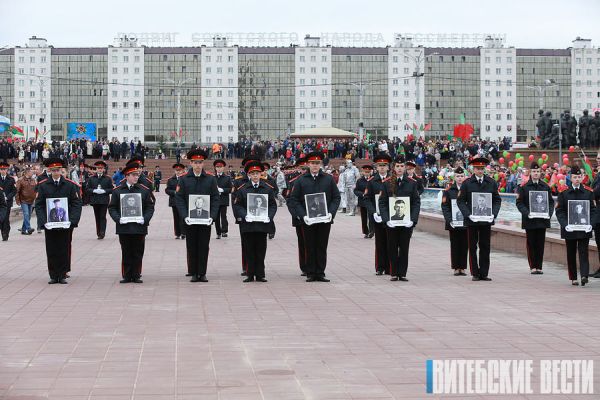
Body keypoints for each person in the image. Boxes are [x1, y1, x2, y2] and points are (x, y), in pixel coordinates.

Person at [287, 151, 341, 282]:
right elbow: (294, 200)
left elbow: (336, 197)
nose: (315, 166)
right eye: (312, 163)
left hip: (324, 219)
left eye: (317, 163)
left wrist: (331, 213)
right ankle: (311, 272)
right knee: (309, 245)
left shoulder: (328, 179)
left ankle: (320, 272)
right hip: (308, 220)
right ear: (308, 164)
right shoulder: (301, 180)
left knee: (322, 245)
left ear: (321, 164)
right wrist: (302, 215)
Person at [34, 158, 82, 284]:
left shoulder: (70, 185)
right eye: (53, 170)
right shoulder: (43, 185)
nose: (56, 172)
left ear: (62, 170)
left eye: (58, 170)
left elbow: (76, 203)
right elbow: (39, 205)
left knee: (63, 248)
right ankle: (53, 275)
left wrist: (72, 221)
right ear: (49, 171)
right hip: (50, 224)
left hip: (65, 223)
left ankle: (62, 274)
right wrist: (44, 222)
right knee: (51, 248)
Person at [175, 149, 219, 282]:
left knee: (204, 246)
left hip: (205, 220)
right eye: (195, 162)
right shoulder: (184, 179)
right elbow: (179, 199)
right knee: (192, 246)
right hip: (190, 220)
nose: (198, 165)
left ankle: (202, 272)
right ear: (190, 163)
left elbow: (215, 198)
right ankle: (193, 272)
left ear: (203, 163)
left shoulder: (210, 179)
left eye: (200, 162)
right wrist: (184, 216)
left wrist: (212, 216)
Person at [108, 163, 155, 284]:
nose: (136, 177)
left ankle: (136, 274)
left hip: (139, 227)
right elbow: (112, 208)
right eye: (133, 175)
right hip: (124, 227)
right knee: (126, 251)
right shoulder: (118, 191)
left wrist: (145, 219)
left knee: (138, 251)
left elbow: (150, 207)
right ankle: (127, 275)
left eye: (137, 175)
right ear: (126, 176)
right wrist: (118, 219)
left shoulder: (144, 190)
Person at [457, 157, 502, 282]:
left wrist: (494, 213)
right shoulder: (467, 183)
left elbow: (497, 200)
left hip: (486, 220)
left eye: (482, 168)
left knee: (485, 246)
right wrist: (468, 214)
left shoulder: (491, 182)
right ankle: (475, 273)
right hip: (472, 220)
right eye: (477, 168)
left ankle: (484, 273)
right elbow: (460, 201)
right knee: (472, 246)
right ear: (473, 169)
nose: (480, 171)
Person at [233, 160, 277, 282]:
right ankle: (250, 273)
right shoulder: (242, 189)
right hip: (248, 224)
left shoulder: (267, 188)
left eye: (257, 173)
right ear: (249, 175)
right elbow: (237, 205)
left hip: (262, 224)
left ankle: (260, 274)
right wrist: (244, 215)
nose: (255, 176)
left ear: (261, 174)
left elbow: (273, 205)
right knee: (249, 249)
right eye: (253, 173)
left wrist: (269, 216)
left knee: (261, 249)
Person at [378, 155, 421, 281]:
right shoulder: (386, 183)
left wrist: (412, 220)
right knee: (392, 248)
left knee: (404, 248)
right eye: (398, 166)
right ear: (393, 167)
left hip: (406, 222)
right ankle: (393, 273)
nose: (400, 168)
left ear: (405, 168)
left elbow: (416, 202)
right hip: (392, 222)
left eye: (402, 166)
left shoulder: (412, 183)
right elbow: (383, 203)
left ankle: (402, 273)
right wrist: (387, 220)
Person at [556, 166, 596, 286]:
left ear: (582, 177)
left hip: (584, 228)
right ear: (570, 178)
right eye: (575, 177)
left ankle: (584, 275)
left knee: (584, 252)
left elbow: (594, 210)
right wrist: (565, 225)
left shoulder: (588, 192)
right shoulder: (564, 192)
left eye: (579, 177)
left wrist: (591, 225)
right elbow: (560, 211)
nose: (577, 179)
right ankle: (573, 277)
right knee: (571, 252)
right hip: (570, 228)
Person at [516, 163, 554, 274]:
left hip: (542, 220)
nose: (536, 173)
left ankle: (539, 266)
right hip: (530, 220)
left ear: (540, 173)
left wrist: (549, 214)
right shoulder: (524, 187)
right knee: (531, 243)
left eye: (538, 172)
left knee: (540, 244)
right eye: (534, 171)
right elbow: (519, 203)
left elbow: (551, 203)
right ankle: (533, 266)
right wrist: (527, 213)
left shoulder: (545, 186)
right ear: (530, 173)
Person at [364, 153, 392, 275]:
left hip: (391, 216)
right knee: (380, 242)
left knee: (391, 241)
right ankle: (380, 267)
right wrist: (373, 212)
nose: (381, 168)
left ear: (388, 167)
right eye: (379, 165)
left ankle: (389, 267)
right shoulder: (372, 181)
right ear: (376, 167)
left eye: (384, 165)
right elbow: (367, 198)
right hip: (378, 216)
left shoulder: (393, 180)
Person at [441, 167, 468, 276]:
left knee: (465, 245)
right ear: (454, 177)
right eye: (458, 176)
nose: (460, 178)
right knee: (455, 244)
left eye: (461, 176)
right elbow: (445, 207)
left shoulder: (467, 189)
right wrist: (450, 220)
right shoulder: (448, 191)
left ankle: (463, 267)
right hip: (453, 222)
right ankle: (456, 267)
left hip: (465, 222)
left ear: (464, 177)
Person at [286, 158, 309, 276]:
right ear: (299, 168)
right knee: (303, 242)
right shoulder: (294, 182)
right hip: (300, 218)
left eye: (306, 169)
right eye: (302, 169)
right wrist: (297, 215)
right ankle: (305, 266)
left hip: (314, 216)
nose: (304, 171)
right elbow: (290, 201)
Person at [85, 160, 114, 240]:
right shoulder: (91, 178)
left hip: (104, 201)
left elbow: (111, 189)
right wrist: (94, 190)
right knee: (97, 217)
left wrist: (104, 191)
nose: (100, 169)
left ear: (104, 169)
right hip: (95, 200)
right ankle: (98, 232)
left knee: (102, 216)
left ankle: (102, 232)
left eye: (101, 168)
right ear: (96, 169)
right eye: (98, 168)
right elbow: (87, 189)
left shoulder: (107, 178)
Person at [165, 163, 186, 239]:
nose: (178, 172)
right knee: (176, 218)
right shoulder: (170, 180)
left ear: (182, 170)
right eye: (177, 170)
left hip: (184, 202)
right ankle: (177, 233)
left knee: (183, 217)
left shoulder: (185, 178)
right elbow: (167, 190)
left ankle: (184, 233)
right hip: (174, 202)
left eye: (180, 170)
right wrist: (174, 192)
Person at [213, 159, 232, 239]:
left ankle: (224, 231)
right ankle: (218, 232)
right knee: (216, 217)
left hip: (223, 200)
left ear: (223, 168)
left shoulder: (227, 178)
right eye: (217, 167)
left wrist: (223, 190)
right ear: (215, 168)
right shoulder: (212, 178)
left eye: (220, 167)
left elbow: (231, 189)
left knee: (223, 216)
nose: (219, 168)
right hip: (215, 200)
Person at [354, 164, 374, 238]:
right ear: (363, 172)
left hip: (371, 202)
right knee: (364, 218)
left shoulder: (373, 180)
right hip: (362, 202)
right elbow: (356, 191)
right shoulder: (360, 180)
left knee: (371, 217)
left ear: (370, 172)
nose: (367, 173)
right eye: (365, 172)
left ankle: (372, 231)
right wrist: (362, 194)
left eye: (368, 172)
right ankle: (366, 232)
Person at [15, 167, 36, 235]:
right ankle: (28, 228)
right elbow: (17, 191)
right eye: (31, 172)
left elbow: (35, 189)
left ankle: (23, 230)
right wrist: (17, 200)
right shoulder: (20, 180)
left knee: (29, 215)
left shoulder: (33, 180)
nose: (33, 173)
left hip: (31, 200)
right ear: (27, 172)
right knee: (26, 214)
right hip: (23, 200)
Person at [0, 162, 16, 241]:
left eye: (4, 169)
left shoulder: (11, 179)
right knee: (1, 218)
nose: (3, 171)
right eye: (1, 169)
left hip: (7, 203)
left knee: (5, 218)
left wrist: (7, 197)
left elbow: (14, 191)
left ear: (7, 170)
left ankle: (5, 233)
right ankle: (3, 231)